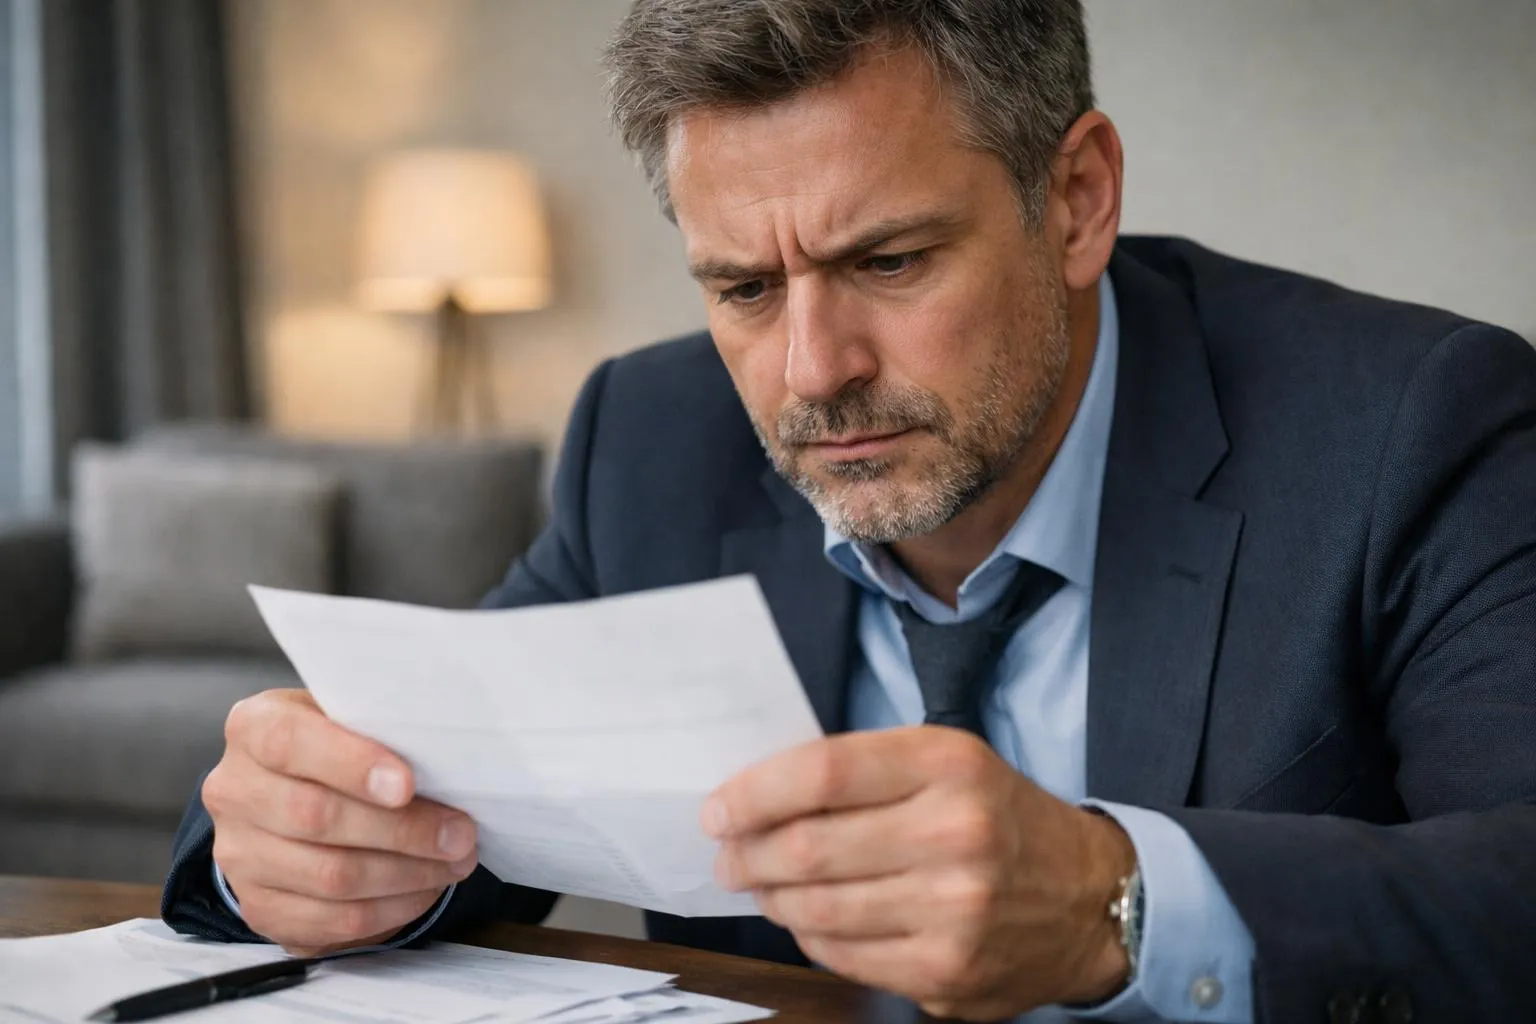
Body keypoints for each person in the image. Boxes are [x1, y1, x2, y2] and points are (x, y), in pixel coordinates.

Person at [162, 1, 1536, 1020]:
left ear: (1076, 199)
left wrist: (1116, 902)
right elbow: (446, 798)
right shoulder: (648, 440)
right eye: (744, 290)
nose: (814, 374)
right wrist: (299, 846)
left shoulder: (1416, 423)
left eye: (886, 260)